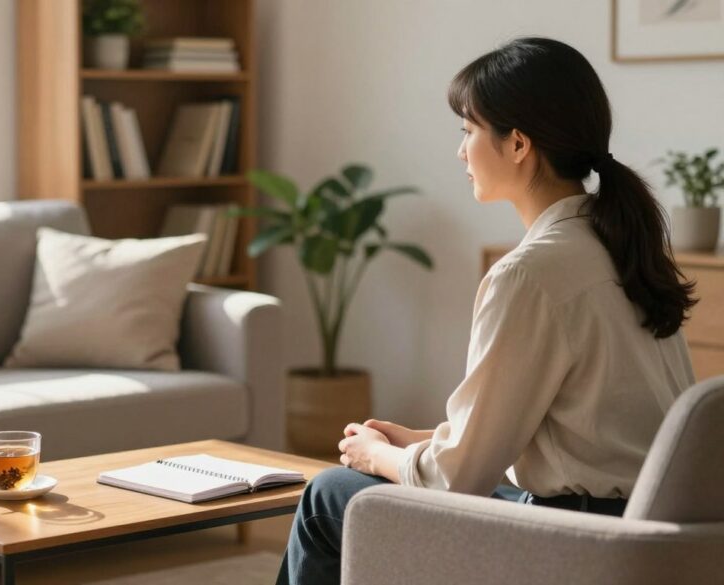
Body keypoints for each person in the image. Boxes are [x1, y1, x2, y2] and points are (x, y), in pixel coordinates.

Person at [275, 36, 698, 585]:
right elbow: (572, 433)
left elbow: (458, 482)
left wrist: (376, 455)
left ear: (518, 144)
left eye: (468, 131)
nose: (460, 151)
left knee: (331, 495)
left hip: (573, 546)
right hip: (646, 535)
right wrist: (429, 441)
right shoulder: (623, 248)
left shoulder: (529, 273)